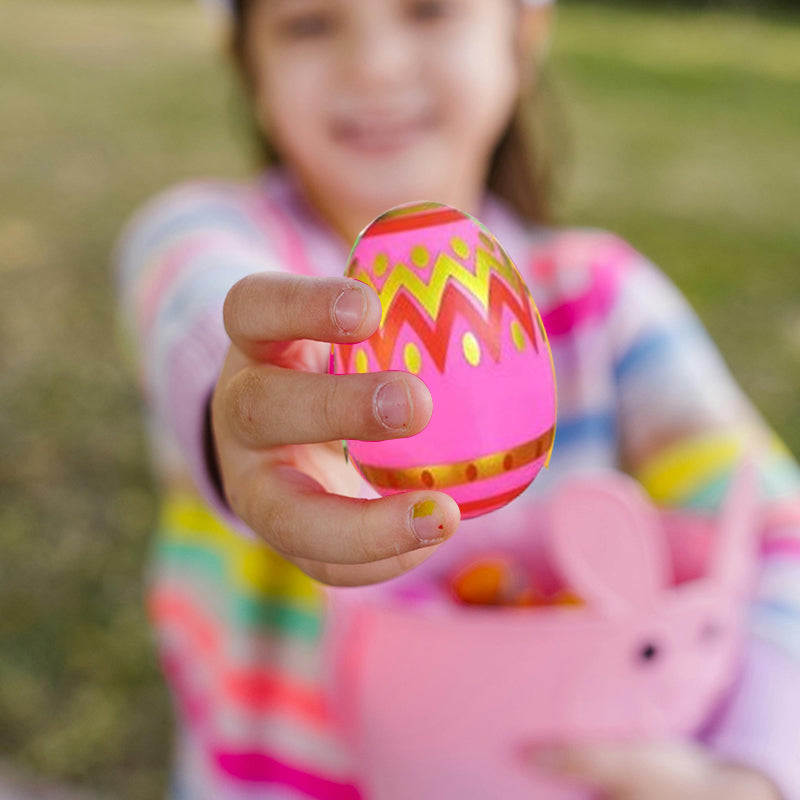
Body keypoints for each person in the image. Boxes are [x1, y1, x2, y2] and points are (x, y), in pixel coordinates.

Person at [114, 0, 800, 797]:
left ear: (524, 31)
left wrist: (753, 763)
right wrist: (239, 402)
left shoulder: (600, 303)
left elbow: (779, 531)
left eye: (428, 11)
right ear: (248, 63)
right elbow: (195, 300)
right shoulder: (210, 241)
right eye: (309, 24)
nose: (372, 66)